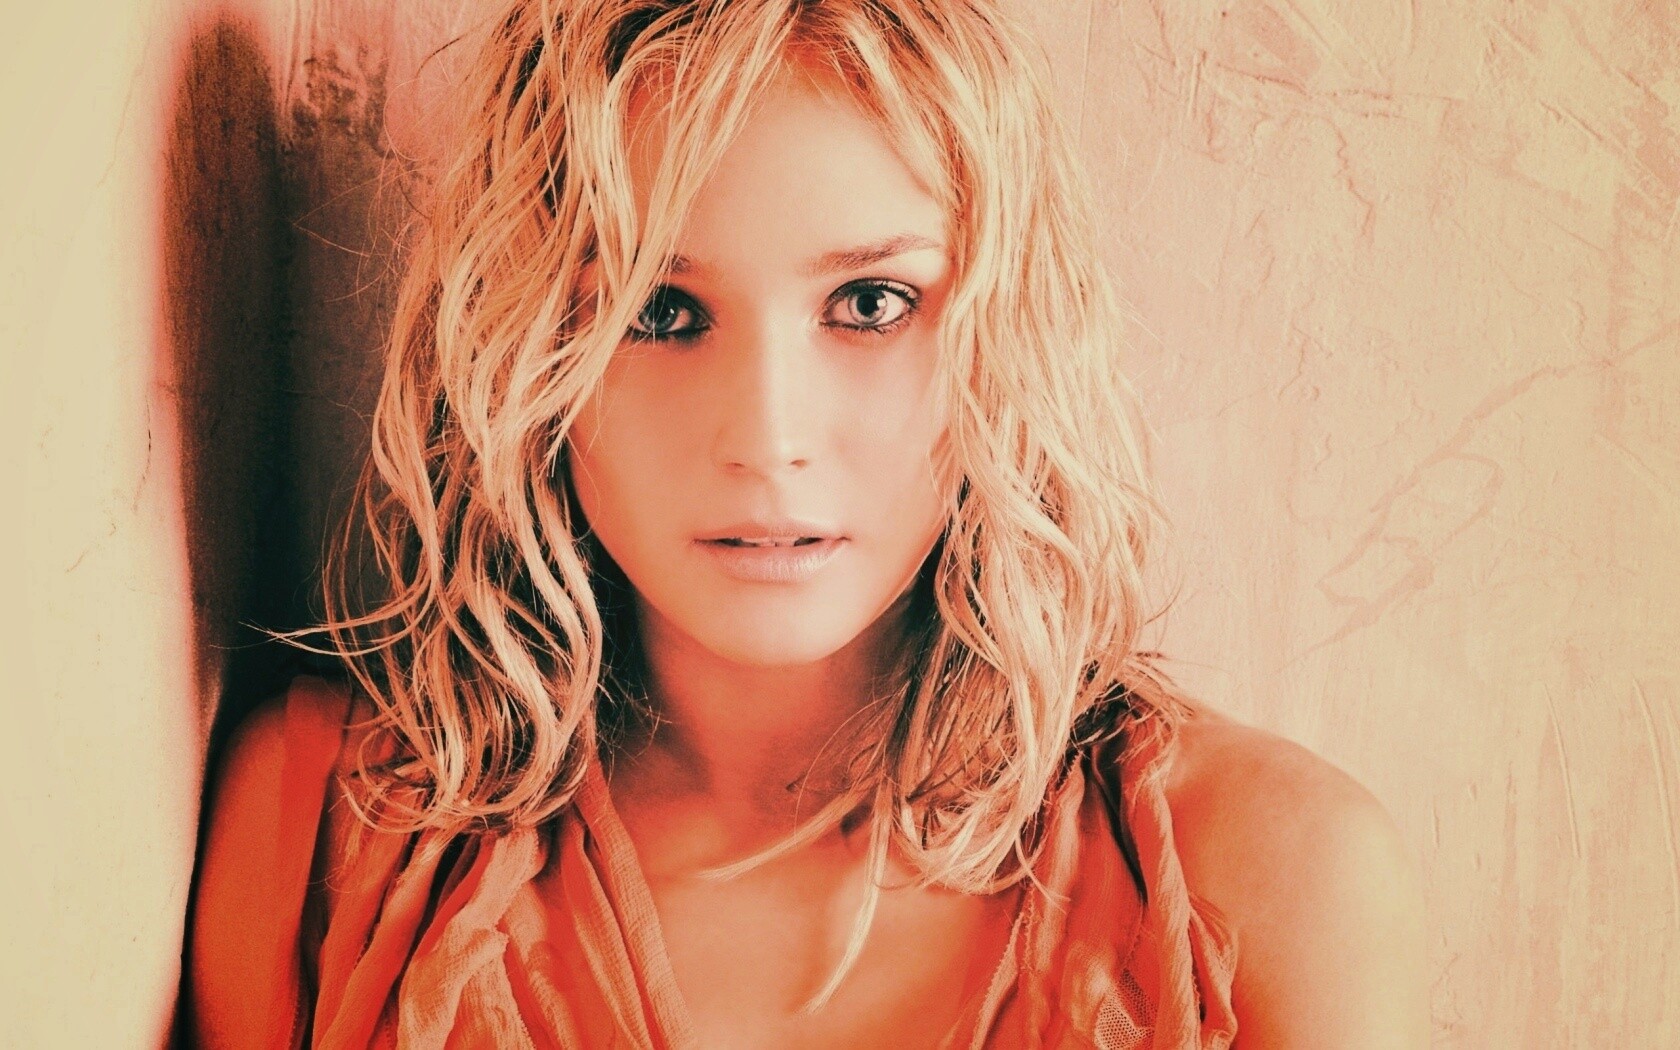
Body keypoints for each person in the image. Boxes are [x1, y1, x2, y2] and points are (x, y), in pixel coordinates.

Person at [187, 1, 1429, 1047]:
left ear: (1011, 332)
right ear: (525, 348)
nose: (768, 438)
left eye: (871, 302)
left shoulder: (1253, 878)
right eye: (657, 311)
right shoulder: (330, 836)